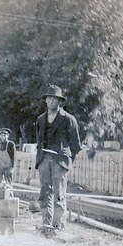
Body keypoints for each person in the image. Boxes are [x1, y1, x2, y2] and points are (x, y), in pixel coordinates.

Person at [33, 85, 82, 235]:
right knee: (44, 193)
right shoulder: (40, 119)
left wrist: (66, 160)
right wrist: (41, 158)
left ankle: (57, 227)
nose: (52, 101)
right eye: (49, 98)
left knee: (59, 194)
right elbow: (39, 140)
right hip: (43, 160)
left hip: (60, 161)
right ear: (46, 100)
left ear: (60, 102)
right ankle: (46, 224)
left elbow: (76, 145)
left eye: (55, 99)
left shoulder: (68, 119)